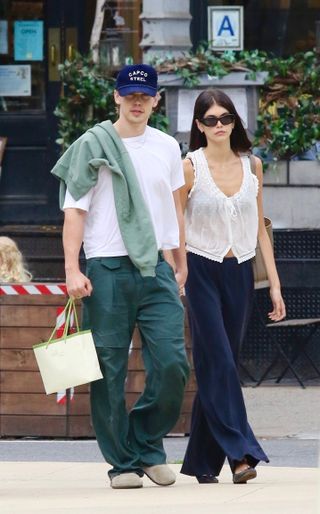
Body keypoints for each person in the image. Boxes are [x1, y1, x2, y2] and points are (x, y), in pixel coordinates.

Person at [51, 64, 190, 489]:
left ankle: (147, 443)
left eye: (144, 95)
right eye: (129, 94)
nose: (136, 101)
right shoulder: (92, 144)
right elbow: (75, 209)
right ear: (116, 97)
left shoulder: (167, 146)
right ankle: (123, 462)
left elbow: (173, 208)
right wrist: (73, 268)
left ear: (155, 100)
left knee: (172, 363)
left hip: (157, 269)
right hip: (106, 267)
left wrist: (179, 260)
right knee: (108, 369)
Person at [180, 89, 286, 484]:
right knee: (220, 361)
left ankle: (202, 463)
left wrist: (274, 285)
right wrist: (178, 271)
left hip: (240, 271)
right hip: (199, 268)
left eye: (226, 118)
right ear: (199, 125)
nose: (219, 125)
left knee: (218, 363)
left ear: (235, 122)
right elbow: (176, 223)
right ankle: (242, 453)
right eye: (210, 119)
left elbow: (259, 228)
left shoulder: (253, 165)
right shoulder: (189, 167)